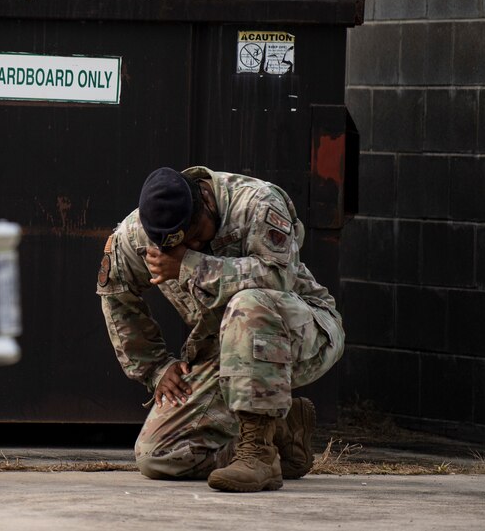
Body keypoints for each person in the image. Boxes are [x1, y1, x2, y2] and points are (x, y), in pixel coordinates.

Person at [97, 165, 345, 492]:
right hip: (228, 352)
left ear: (206, 201)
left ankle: (258, 456)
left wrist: (189, 264)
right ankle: (281, 433)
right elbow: (115, 289)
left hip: (304, 331)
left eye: (199, 235)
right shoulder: (139, 234)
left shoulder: (257, 203)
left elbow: (276, 278)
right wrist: (155, 367)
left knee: (248, 303)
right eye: (182, 245)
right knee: (158, 456)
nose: (195, 245)